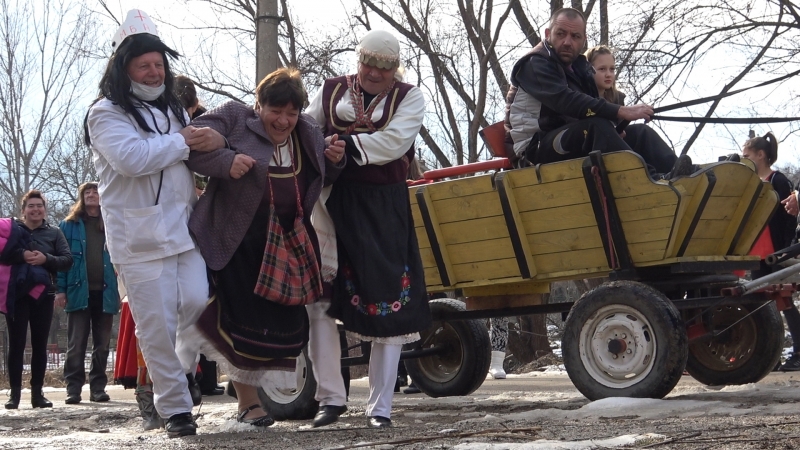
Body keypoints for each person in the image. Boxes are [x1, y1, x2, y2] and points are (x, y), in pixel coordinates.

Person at [83, 10, 219, 437]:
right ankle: (176, 409)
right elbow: (132, 159)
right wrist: (182, 142)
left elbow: (194, 149)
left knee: (198, 304)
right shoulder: (104, 113)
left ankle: (184, 370)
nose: (153, 71)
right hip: (137, 239)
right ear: (124, 69)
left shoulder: (175, 108)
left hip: (183, 229)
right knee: (156, 326)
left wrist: (210, 139)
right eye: (144, 64)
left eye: (158, 63)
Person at [185, 67, 344, 427]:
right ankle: (248, 404)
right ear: (259, 105)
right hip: (237, 239)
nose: (284, 120)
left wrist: (336, 159)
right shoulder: (234, 117)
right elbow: (193, 148)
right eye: (276, 111)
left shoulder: (308, 132)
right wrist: (228, 160)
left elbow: (323, 174)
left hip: (286, 242)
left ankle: (261, 397)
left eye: (291, 112)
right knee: (241, 324)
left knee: (283, 326)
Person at [305, 29, 432, 429]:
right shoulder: (329, 91)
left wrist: (344, 143)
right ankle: (329, 398)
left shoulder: (409, 97)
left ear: (396, 68)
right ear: (358, 60)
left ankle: (380, 407)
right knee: (321, 300)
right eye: (368, 63)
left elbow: (394, 143)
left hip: (382, 207)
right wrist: (323, 145)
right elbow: (306, 129)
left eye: (385, 66)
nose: (375, 72)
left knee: (387, 300)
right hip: (331, 203)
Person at [505, 8, 688, 178]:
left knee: (640, 133)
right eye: (561, 34)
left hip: (569, 138)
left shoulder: (580, 69)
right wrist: (619, 111)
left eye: (575, 36)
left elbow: (589, 108)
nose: (567, 42)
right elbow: (567, 101)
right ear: (548, 34)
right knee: (594, 127)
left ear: (583, 40)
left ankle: (681, 177)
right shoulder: (535, 64)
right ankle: (650, 181)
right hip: (534, 150)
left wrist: (613, 129)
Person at [4, 190, 72, 409]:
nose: (35, 210)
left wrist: (46, 259)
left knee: (40, 345)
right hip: (17, 294)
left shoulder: (54, 232)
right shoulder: (13, 230)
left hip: (44, 294)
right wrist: (21, 255)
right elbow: (2, 254)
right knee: (16, 344)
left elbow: (67, 260)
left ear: (45, 208)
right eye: (31, 206)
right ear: (23, 210)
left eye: (39, 206)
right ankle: (14, 395)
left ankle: (37, 394)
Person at [56, 182, 119, 405]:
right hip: (78, 292)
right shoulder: (68, 226)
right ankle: (73, 389)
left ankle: (98, 388)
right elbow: (62, 262)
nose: (92, 195)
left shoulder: (113, 223)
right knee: (76, 343)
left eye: (96, 192)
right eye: (88, 192)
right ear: (82, 198)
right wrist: (60, 291)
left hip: (106, 292)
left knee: (102, 345)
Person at [742, 133, 800, 372]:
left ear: (760, 155)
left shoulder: (778, 180)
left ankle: (798, 351)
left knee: (783, 300)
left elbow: (788, 218)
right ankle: (770, 355)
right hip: (755, 251)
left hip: (775, 250)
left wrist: (784, 250)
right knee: (763, 304)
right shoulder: (749, 182)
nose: (744, 160)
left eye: (747, 156)